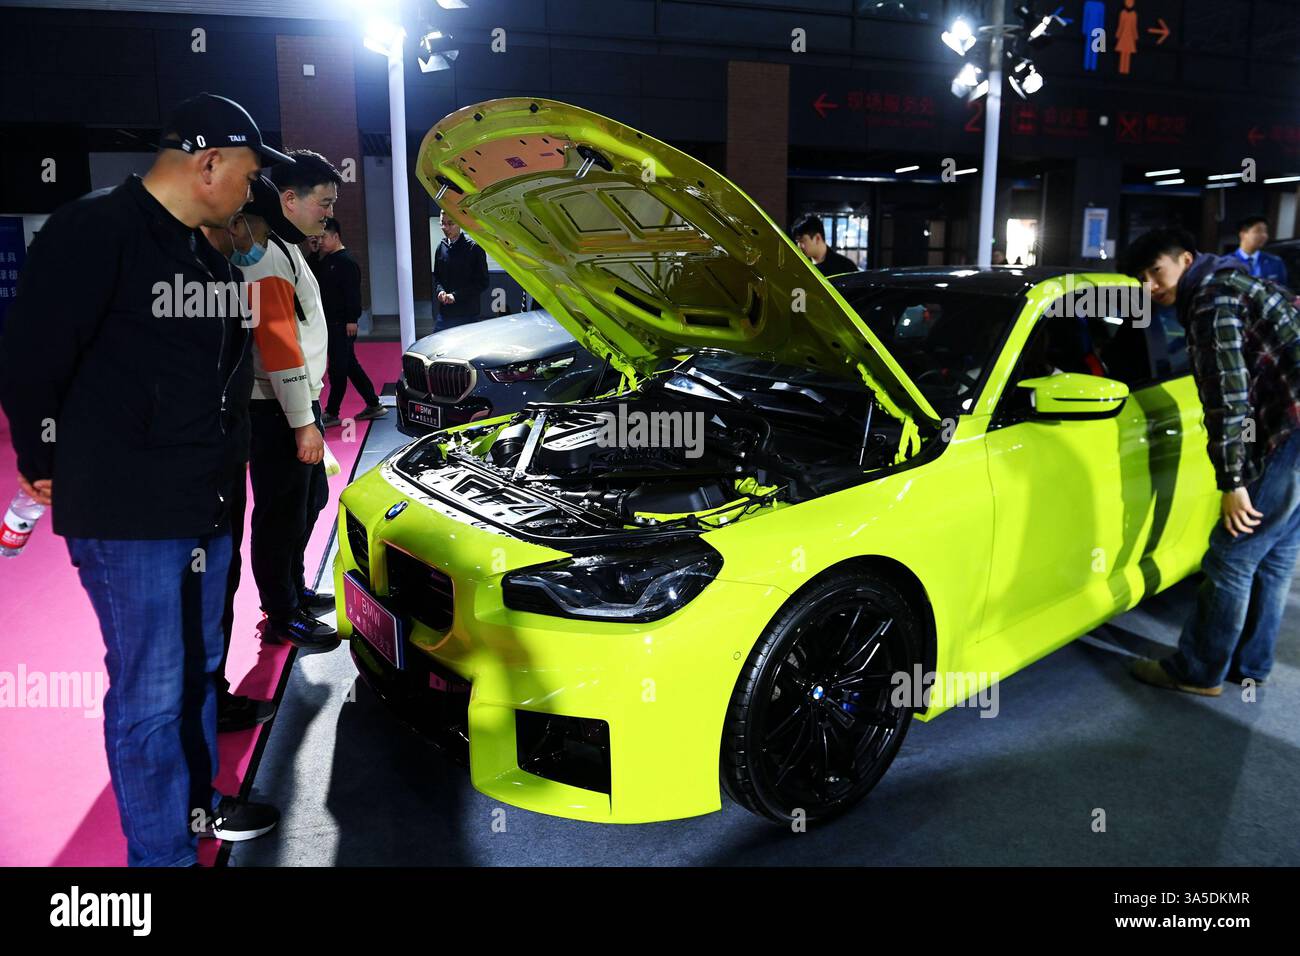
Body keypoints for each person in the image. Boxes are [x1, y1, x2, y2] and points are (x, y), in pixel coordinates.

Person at [0, 92, 285, 864]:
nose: (251, 190)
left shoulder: (199, 251)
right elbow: (31, 359)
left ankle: (193, 812)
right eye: (251, 175)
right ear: (209, 163)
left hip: (203, 502)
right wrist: (43, 459)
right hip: (130, 516)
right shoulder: (93, 230)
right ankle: (158, 859)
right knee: (151, 697)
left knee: (196, 671)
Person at [1121, 227, 1300, 695]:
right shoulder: (1233, 280)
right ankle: (1252, 664)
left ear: (1184, 258)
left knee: (1231, 558)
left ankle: (1198, 672)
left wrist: (1233, 481)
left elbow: (1229, 398)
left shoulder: (1209, 300)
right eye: (1140, 278)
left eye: (1155, 272)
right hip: (1293, 426)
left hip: (1293, 432)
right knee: (1275, 557)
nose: (1149, 287)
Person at [240, 154, 342, 651]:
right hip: (277, 408)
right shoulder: (264, 254)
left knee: (308, 502)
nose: (327, 213)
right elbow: (278, 343)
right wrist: (303, 423)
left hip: (299, 403)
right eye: (323, 203)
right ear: (289, 199)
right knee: (281, 512)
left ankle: (292, 589)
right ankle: (281, 610)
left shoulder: (285, 246)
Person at [316, 218, 385, 427]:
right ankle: (373, 403)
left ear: (335, 236)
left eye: (323, 237)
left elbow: (353, 294)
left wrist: (351, 320)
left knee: (338, 369)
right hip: (331, 323)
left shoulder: (346, 261)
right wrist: (313, 252)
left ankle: (332, 411)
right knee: (349, 366)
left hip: (342, 324)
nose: (320, 242)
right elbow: (314, 274)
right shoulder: (326, 259)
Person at [433, 207, 489, 332]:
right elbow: (437, 277)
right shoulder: (441, 247)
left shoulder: (474, 248)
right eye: (442, 223)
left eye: (450, 223)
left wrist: (455, 296)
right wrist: (440, 291)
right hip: (445, 314)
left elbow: (482, 283)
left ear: (460, 223)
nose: (445, 228)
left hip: (467, 315)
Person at [791, 214, 859, 277]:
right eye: (797, 242)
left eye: (802, 241)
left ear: (817, 238)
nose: (799, 246)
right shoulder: (800, 267)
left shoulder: (846, 267)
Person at [1233, 215, 1289, 289]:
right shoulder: (1227, 263)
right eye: (1258, 231)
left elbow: (1283, 291)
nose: (1264, 235)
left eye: (1265, 231)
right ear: (1243, 234)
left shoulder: (1275, 262)